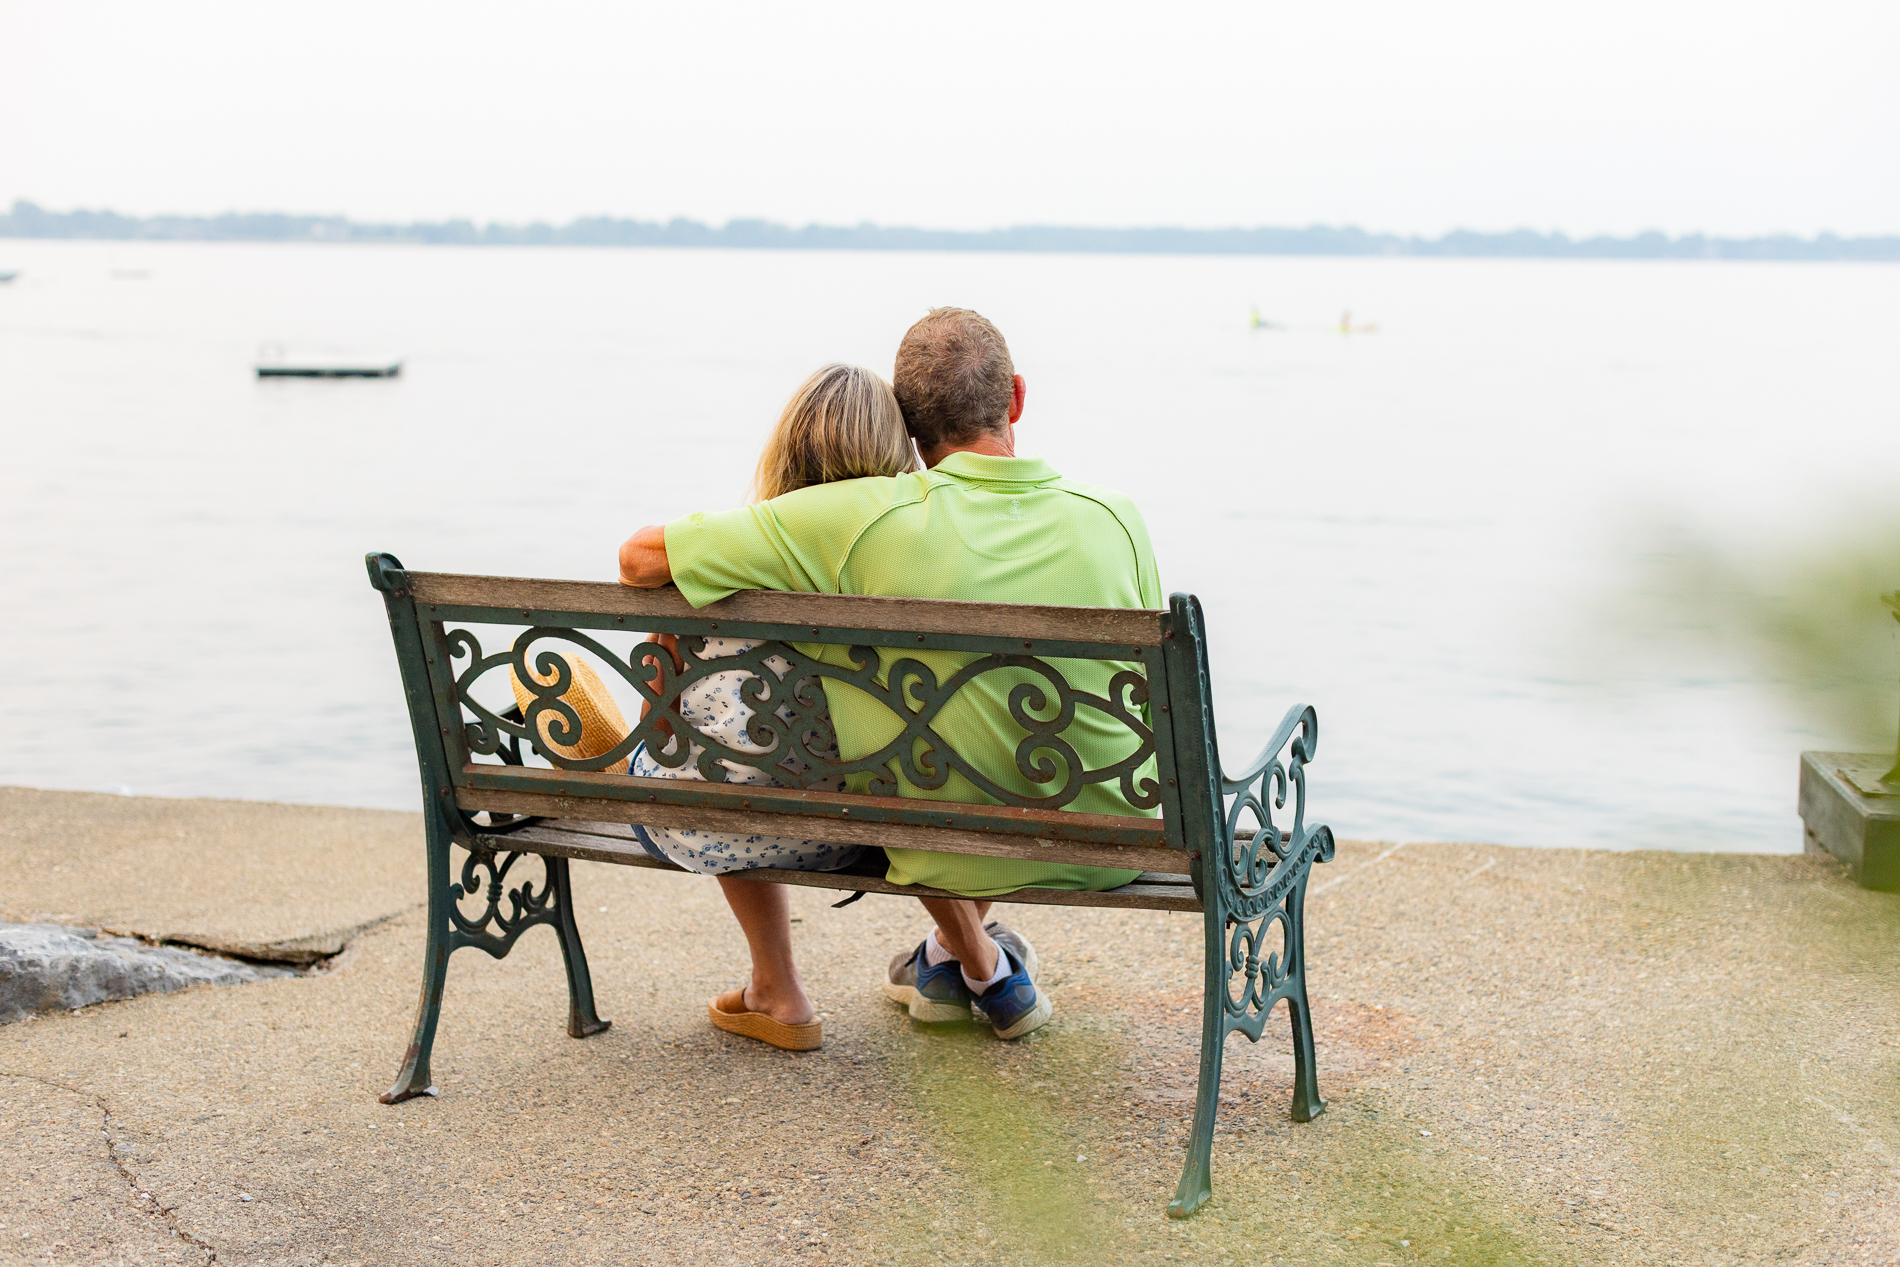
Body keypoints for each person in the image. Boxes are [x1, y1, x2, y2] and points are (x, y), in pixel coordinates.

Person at [618, 307, 1163, 1045]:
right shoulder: (1119, 518)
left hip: (936, 845)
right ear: (1018, 398)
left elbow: (639, 558)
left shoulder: (863, 520)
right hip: (1115, 842)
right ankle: (959, 959)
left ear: (909, 427)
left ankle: (950, 960)